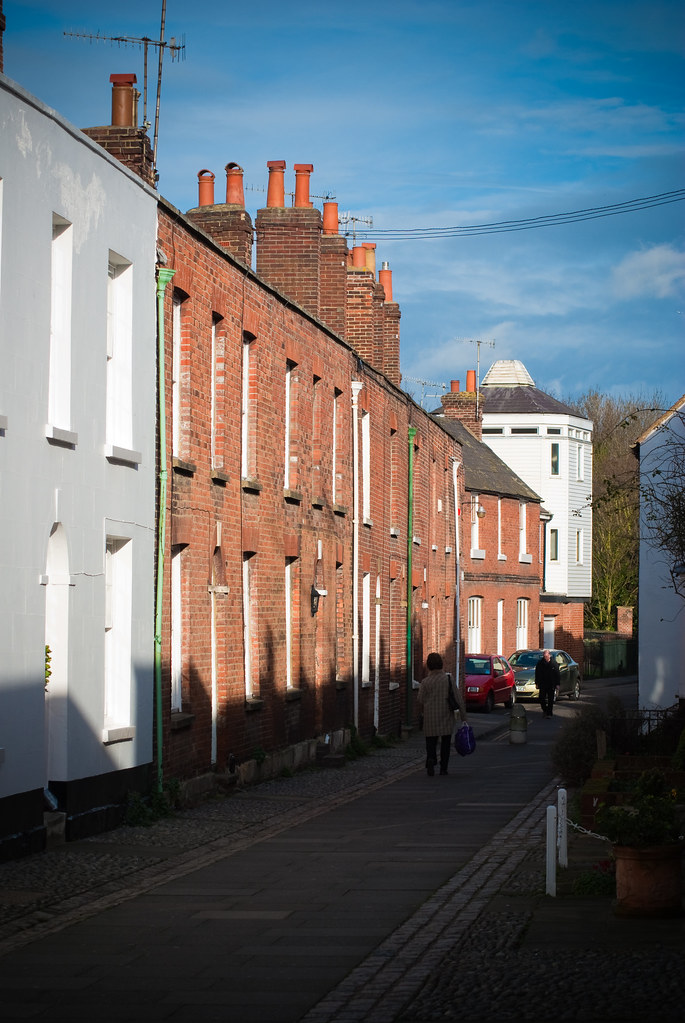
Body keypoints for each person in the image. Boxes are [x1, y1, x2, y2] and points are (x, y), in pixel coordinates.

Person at [417, 652, 468, 776]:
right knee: (445, 743)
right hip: (446, 715)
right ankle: (443, 768)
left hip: (430, 716)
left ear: (428, 665)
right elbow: (458, 698)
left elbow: (420, 699)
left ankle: (431, 759)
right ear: (441, 664)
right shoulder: (448, 679)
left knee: (431, 742)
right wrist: (463, 717)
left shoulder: (425, 682)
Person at [535, 649, 560, 718]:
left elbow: (557, 674)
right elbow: (537, 674)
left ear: (549, 655)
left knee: (550, 699)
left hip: (551, 683)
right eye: (544, 656)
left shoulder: (554, 663)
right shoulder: (540, 663)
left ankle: (549, 713)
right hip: (542, 683)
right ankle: (545, 710)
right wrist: (537, 683)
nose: (545, 657)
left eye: (546, 656)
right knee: (541, 698)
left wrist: (557, 684)